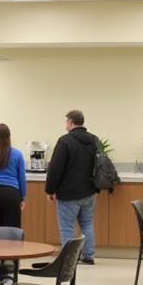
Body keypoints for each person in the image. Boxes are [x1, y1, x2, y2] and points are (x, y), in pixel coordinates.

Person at [45, 109, 98, 264]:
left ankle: (69, 258)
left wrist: (50, 189)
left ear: (70, 122)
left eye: (66, 121)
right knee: (87, 224)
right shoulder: (93, 140)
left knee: (67, 227)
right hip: (89, 191)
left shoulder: (65, 141)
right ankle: (88, 256)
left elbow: (55, 168)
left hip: (68, 194)